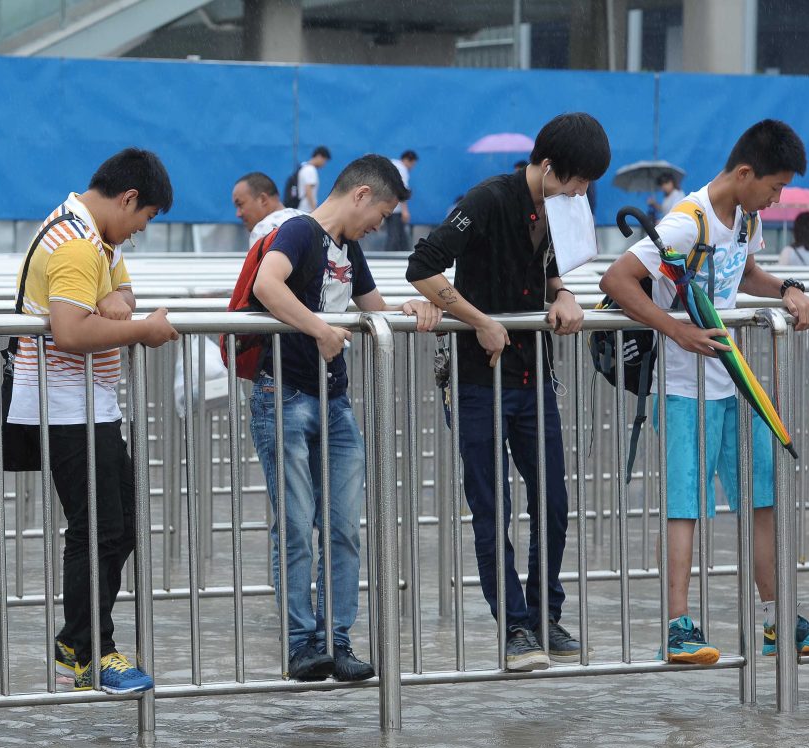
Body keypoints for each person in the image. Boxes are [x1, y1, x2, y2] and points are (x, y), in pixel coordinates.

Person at [601, 119, 809, 663]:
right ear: (744, 172)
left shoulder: (746, 217)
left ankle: (779, 620)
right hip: (684, 388)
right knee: (686, 507)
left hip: (733, 381)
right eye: (775, 186)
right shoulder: (686, 221)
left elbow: (744, 270)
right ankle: (678, 627)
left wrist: (786, 290)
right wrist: (676, 329)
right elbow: (615, 280)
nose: (777, 198)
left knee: (763, 497)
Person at [407, 112, 610, 671]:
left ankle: (547, 614)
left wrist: (565, 293)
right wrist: (479, 319)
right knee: (492, 508)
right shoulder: (489, 199)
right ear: (547, 168)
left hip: (532, 377)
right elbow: (421, 266)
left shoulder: (563, 208)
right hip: (479, 380)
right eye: (576, 181)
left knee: (554, 503)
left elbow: (550, 269)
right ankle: (515, 628)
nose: (582, 192)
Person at [249, 154, 441, 681]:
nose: (379, 226)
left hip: (334, 401)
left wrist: (408, 308)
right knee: (294, 527)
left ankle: (336, 639)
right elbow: (268, 286)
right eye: (379, 215)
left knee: (342, 526)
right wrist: (319, 329)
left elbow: (371, 305)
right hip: (284, 394)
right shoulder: (299, 233)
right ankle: (301, 644)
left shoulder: (348, 247)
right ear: (360, 195)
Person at [8, 148, 178, 694]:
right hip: (66, 405)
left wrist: (119, 300)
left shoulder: (93, 234)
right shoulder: (79, 244)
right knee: (99, 528)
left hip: (87, 402)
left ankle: (83, 642)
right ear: (128, 199)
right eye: (145, 218)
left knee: (117, 524)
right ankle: (86, 652)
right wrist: (141, 331)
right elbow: (71, 332)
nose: (139, 231)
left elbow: (123, 291)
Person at [231, 171, 302, 246]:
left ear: (262, 199)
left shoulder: (264, 229)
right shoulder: (307, 218)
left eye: (240, 204)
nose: (238, 214)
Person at [384, 150, 418, 251]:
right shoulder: (402, 169)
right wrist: (405, 211)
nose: (412, 167)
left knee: (395, 234)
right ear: (408, 160)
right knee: (395, 236)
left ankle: (395, 254)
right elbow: (401, 191)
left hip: (385, 206)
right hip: (396, 209)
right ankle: (389, 258)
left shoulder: (392, 165)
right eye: (413, 164)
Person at [297, 146, 332, 211]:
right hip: (306, 209)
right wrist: (314, 208)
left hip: (302, 207)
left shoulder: (304, 167)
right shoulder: (310, 169)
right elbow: (308, 188)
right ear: (319, 156)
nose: (324, 164)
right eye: (324, 160)